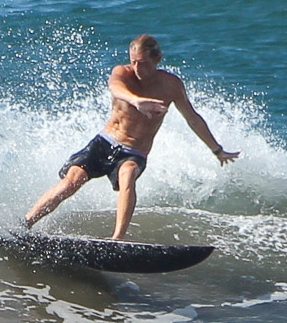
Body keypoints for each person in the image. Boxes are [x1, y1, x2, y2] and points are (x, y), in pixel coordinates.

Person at [23, 34, 239, 239]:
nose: (137, 68)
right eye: (134, 62)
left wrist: (217, 150)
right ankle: (25, 224)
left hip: (134, 152)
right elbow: (115, 87)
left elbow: (192, 118)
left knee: (127, 174)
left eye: (143, 63)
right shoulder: (123, 74)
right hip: (105, 142)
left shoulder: (171, 86)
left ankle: (116, 239)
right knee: (73, 180)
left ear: (157, 60)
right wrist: (136, 101)